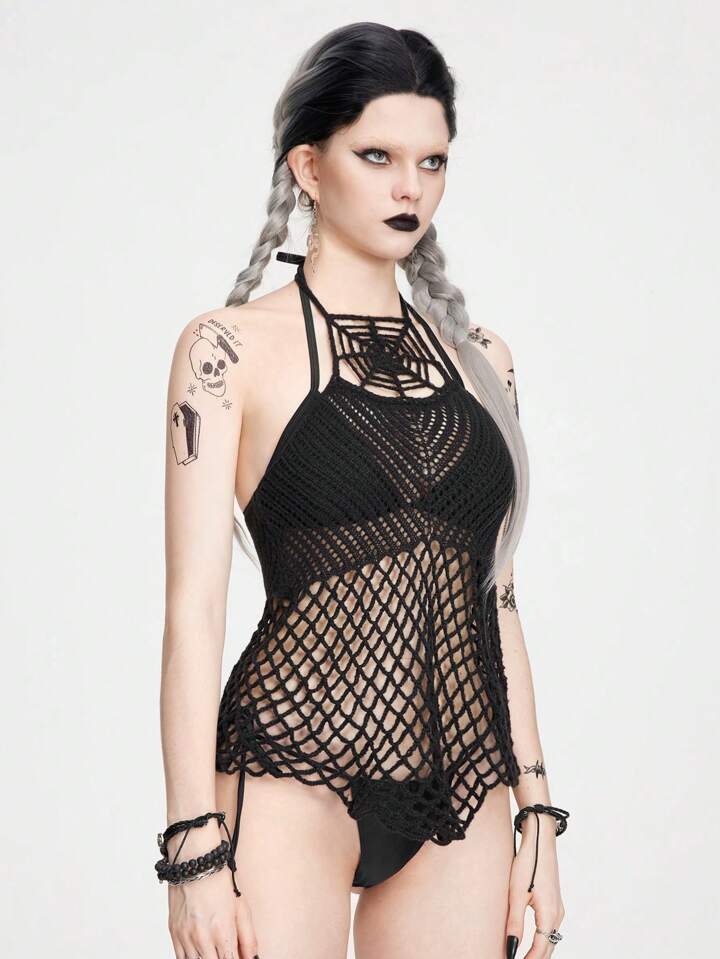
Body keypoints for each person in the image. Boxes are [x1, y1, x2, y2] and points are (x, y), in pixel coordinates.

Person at [158, 21, 568, 959]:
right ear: (309, 166)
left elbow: (497, 598)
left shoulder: (484, 361)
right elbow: (193, 611)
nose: (408, 187)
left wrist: (538, 810)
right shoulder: (226, 350)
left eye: (432, 161)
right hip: (287, 770)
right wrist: (191, 847)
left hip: (464, 782)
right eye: (376, 156)